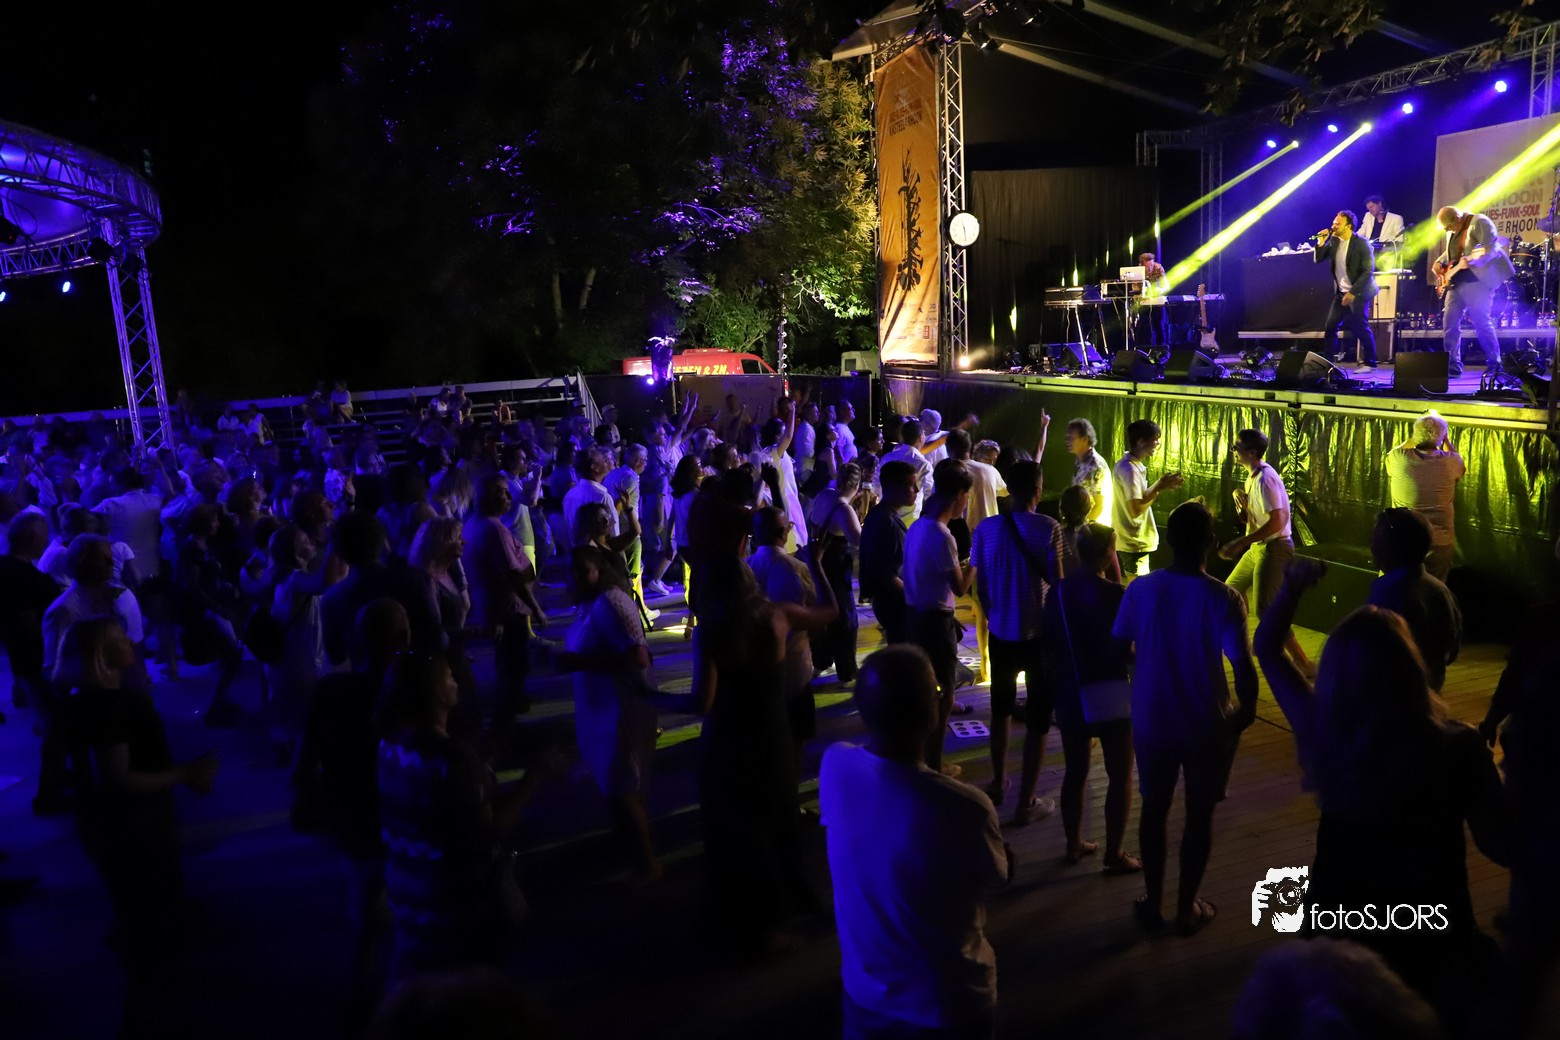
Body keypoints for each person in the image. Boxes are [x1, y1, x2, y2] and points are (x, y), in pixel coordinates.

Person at [1254, 560, 1510, 1034]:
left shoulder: (1323, 731)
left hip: (1343, 923)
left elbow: (1267, 649)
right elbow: (1501, 843)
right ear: (1412, 667)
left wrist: (1290, 589)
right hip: (1431, 926)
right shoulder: (1458, 746)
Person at [820, 645, 1013, 1040]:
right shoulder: (964, 805)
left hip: (864, 993)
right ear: (933, 713)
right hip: (947, 1000)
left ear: (863, 709)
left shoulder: (835, 765)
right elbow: (997, 877)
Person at [659, 552, 835, 955]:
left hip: (728, 741)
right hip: (773, 735)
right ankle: (782, 913)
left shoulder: (712, 631)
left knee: (736, 833)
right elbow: (830, 612)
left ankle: (749, 929)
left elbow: (701, 702)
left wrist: (653, 697)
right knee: (777, 822)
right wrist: (817, 564)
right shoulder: (778, 616)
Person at [1113, 501, 1257, 936]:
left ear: (1170, 540)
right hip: (1206, 722)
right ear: (1210, 543)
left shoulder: (1141, 589)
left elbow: (1119, 648)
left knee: (1154, 809)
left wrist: (1147, 667)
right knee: (1199, 815)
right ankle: (1185, 908)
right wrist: (1245, 712)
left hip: (1152, 718)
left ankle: (1154, 903)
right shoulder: (1223, 598)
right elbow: (1243, 667)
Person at [377, 651, 559, 982]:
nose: (456, 682)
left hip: (408, 890)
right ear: (437, 694)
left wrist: (487, 760)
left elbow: (437, 798)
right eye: (449, 676)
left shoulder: (389, 746)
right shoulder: (453, 757)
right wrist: (536, 775)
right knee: (470, 983)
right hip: (455, 902)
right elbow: (490, 826)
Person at [61, 617, 218, 984]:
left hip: (109, 826)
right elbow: (117, 779)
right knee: (148, 911)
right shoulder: (113, 707)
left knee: (132, 905)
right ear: (100, 653)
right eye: (120, 638)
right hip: (133, 827)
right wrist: (184, 775)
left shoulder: (81, 703)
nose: (131, 641)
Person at [555, 545, 661, 883]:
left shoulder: (611, 602)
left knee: (623, 781)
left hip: (619, 706)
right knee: (612, 777)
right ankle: (625, 840)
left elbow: (638, 658)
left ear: (601, 570)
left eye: (582, 570)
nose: (575, 577)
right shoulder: (590, 603)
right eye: (571, 570)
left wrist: (578, 662)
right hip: (598, 706)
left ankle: (648, 864)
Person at [969, 460, 1065, 821]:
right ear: (1038, 491)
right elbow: (1057, 585)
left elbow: (980, 586)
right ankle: (1026, 802)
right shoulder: (1049, 528)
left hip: (1001, 633)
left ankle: (998, 782)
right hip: (1039, 637)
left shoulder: (986, 529)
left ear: (1008, 489)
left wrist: (995, 613)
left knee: (1001, 710)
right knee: (1039, 719)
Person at [1042, 522, 1140, 873]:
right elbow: (1127, 648)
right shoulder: (1116, 595)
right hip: (1112, 691)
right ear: (1107, 553)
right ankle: (1114, 853)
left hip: (1072, 689)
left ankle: (1073, 844)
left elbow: (1049, 642)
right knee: (1120, 775)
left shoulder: (1058, 592)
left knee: (1075, 771)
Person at [1219, 428, 1310, 672]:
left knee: (1266, 608)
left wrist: (1241, 542)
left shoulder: (1264, 479)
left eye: (1236, 447)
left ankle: (1302, 663)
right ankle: (1244, 643)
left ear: (1251, 452)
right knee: (1231, 591)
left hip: (1274, 547)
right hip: (1260, 546)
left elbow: (1277, 522)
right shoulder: (1254, 476)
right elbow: (1257, 517)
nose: (1233, 450)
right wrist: (1242, 501)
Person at [904, 463, 974, 776]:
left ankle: (917, 756)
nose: (966, 503)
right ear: (958, 495)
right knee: (945, 691)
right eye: (967, 496)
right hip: (934, 623)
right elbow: (960, 587)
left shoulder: (918, 526)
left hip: (917, 615)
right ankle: (934, 764)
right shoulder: (943, 535)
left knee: (924, 687)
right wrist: (976, 560)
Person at [463, 474, 546, 725]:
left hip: (490, 605)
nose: (509, 497)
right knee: (515, 663)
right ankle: (507, 720)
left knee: (506, 661)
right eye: (502, 492)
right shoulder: (494, 529)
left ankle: (509, 708)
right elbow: (514, 575)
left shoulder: (473, 524)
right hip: (508, 608)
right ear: (486, 497)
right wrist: (535, 608)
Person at [748, 507, 822, 765]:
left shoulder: (744, 568)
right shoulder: (798, 569)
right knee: (795, 740)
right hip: (794, 669)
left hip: (756, 670)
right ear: (784, 533)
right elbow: (819, 616)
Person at [1367, 508, 1461, 693]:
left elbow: (1372, 651)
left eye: (1375, 540)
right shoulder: (1441, 591)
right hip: (1431, 688)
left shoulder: (1386, 592)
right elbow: (1452, 647)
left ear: (1387, 549)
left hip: (1393, 693)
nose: (1371, 547)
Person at [1433, 205, 1516, 376]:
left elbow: (1491, 249)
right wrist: (1439, 262)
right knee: (1450, 324)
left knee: (1481, 323)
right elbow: (1453, 253)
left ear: (1457, 218)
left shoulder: (1480, 222)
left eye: (1449, 227)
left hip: (1477, 283)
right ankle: (1453, 365)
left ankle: (1495, 364)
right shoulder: (1453, 228)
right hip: (1456, 284)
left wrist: (1474, 261)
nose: (1447, 230)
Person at [1384, 411, 1464, 582]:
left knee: (1393, 586)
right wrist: (1446, 440)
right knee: (1433, 588)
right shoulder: (1452, 462)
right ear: (1441, 438)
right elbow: (1460, 467)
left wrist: (1415, 436)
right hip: (1439, 543)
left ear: (1415, 435)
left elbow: (1393, 452)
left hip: (1402, 540)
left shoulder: (1398, 459)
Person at [805, 463, 864, 686]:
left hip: (818, 564)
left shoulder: (825, 495)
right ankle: (846, 671)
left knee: (823, 613)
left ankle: (821, 660)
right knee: (845, 619)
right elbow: (859, 541)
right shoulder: (844, 509)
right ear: (857, 486)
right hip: (836, 568)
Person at [1110, 419, 1182, 581]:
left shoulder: (1129, 465)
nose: (1157, 443)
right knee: (1138, 588)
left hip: (1133, 540)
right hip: (1133, 541)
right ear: (1141, 441)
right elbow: (1135, 510)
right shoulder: (1130, 470)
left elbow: (1140, 498)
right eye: (1155, 439)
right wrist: (1158, 488)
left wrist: (1160, 485)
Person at [859, 460, 917, 647]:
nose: (916, 490)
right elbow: (887, 574)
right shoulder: (888, 522)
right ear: (894, 488)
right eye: (911, 485)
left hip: (885, 602)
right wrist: (916, 599)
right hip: (895, 604)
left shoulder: (878, 514)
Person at [1313, 209, 1380, 367]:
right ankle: (1328, 363)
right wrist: (1321, 242)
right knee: (1330, 326)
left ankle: (1371, 363)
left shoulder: (1361, 243)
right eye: (1333, 223)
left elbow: (1368, 271)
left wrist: (1352, 292)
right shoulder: (1335, 241)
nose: (1333, 226)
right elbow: (1318, 259)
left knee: (1360, 326)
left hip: (1360, 291)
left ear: (1348, 226)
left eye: (1338, 224)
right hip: (1341, 292)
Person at [1057, 485, 1122, 585]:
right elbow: (1116, 580)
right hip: (1094, 593)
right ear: (1089, 508)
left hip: (1065, 593)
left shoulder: (1054, 537)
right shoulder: (1102, 535)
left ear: (1062, 508)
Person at [879, 417, 934, 518]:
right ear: (921, 437)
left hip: (885, 516)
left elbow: (875, 486)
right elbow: (930, 495)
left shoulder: (887, 457)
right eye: (924, 434)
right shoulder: (923, 464)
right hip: (910, 521)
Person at [1063, 418, 1111, 522]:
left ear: (1085, 439)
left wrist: (1080, 527)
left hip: (1093, 527)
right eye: (1067, 437)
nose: (1067, 441)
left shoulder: (1096, 466)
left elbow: (1099, 507)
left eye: (1071, 438)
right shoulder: (1079, 461)